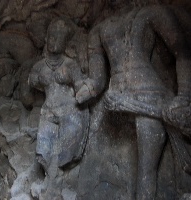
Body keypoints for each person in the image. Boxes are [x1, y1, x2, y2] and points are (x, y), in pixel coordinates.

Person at [76, 0, 191, 199]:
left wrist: (183, 97)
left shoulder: (151, 13)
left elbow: (183, 54)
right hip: (113, 100)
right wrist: (80, 90)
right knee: (92, 163)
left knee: (146, 173)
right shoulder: (99, 30)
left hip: (148, 98)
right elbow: (98, 80)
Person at [29, 18, 89, 174]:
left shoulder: (71, 65)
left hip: (69, 112)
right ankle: (51, 182)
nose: (54, 40)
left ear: (65, 43)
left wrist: (83, 87)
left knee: (64, 155)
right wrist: (37, 79)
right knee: (43, 153)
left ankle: (57, 181)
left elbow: (80, 89)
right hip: (48, 112)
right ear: (46, 38)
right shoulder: (39, 66)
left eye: (59, 37)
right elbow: (31, 83)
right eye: (51, 36)